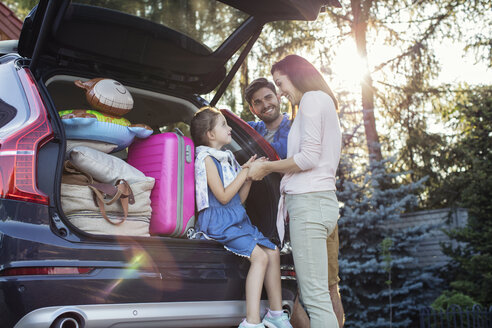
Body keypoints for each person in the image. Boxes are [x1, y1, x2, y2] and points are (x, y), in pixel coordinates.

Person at [248, 55, 342, 328]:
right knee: (318, 295)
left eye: (280, 83)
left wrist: (266, 169)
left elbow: (308, 158)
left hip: (309, 205)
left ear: (295, 74)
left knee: (314, 299)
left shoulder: (312, 99)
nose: (280, 92)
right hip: (320, 202)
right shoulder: (321, 102)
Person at [190, 106, 293, 328]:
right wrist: (245, 172)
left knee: (273, 252)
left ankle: (276, 315)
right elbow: (224, 197)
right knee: (260, 257)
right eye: (224, 125)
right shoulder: (207, 159)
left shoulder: (227, 157)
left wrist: (246, 178)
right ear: (210, 135)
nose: (229, 129)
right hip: (219, 222)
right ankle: (251, 321)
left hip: (236, 219)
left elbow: (240, 200)